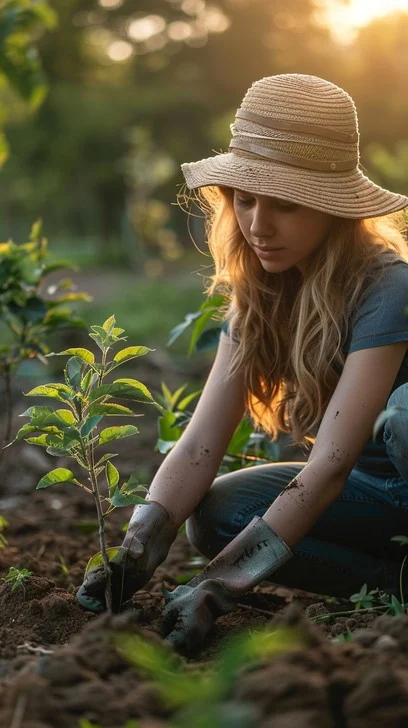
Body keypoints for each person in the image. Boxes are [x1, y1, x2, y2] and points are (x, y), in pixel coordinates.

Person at [77, 73, 408, 654]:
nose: (258, 225)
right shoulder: (261, 289)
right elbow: (201, 442)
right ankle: (391, 583)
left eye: (285, 204)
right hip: (375, 495)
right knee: (220, 516)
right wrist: (137, 548)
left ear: (333, 209)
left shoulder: (389, 284)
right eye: (245, 199)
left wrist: (219, 585)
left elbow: (328, 464)